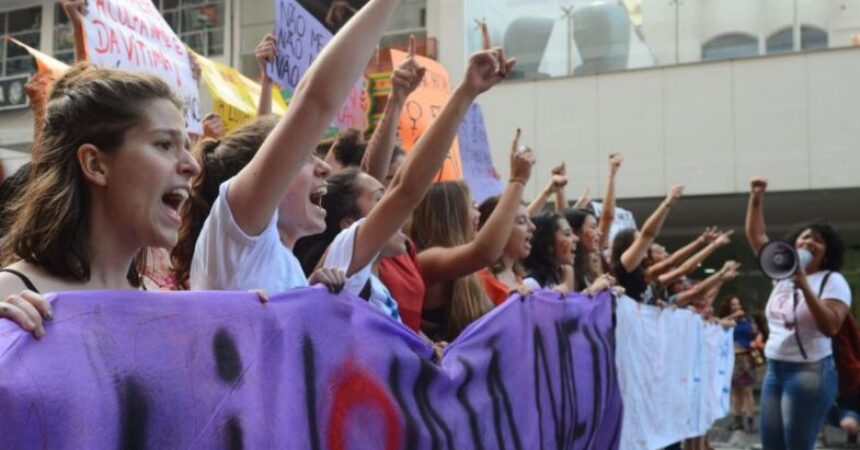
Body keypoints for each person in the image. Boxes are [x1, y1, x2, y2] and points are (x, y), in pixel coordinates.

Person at [184, 0, 405, 293]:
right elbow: (313, 102)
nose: (325, 167)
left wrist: (307, 300)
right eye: (304, 157)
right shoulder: (238, 238)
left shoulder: (286, 264)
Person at [293, 41, 514, 322]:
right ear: (349, 224)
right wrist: (465, 93)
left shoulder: (385, 272)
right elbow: (405, 188)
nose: (394, 206)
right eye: (378, 198)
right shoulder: (341, 261)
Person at [0, 63, 200, 337]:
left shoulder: (161, 307)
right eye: (164, 144)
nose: (193, 166)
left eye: (187, 148)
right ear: (95, 164)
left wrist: (250, 320)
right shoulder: (10, 297)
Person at [745, 176, 852, 450]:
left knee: (797, 445)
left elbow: (830, 327)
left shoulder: (832, 281)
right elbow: (757, 237)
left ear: (827, 252)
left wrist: (804, 284)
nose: (809, 242)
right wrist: (756, 197)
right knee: (773, 445)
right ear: (793, 247)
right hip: (775, 370)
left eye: (818, 240)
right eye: (804, 238)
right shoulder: (780, 275)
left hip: (809, 371)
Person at [410, 129, 534, 341]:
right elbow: (485, 252)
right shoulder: (426, 261)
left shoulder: (471, 274)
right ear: (451, 215)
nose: (479, 214)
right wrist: (517, 181)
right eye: (472, 206)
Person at [609, 185, 684, 304]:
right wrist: (667, 202)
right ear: (627, 246)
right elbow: (648, 235)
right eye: (638, 241)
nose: (645, 245)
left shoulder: (643, 271)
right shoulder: (624, 266)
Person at [476, 197, 535, 305]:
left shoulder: (517, 278)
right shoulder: (478, 280)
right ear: (498, 229)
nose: (533, 227)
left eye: (529, 220)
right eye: (521, 222)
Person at [720, 295, 763, 433]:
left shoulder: (748, 319)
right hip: (731, 359)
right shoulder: (728, 320)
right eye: (733, 305)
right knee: (735, 391)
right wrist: (733, 316)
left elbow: (758, 332)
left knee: (747, 390)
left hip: (745, 358)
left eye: (738, 304)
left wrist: (756, 341)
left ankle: (750, 420)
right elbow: (718, 325)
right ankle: (737, 420)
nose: (737, 307)